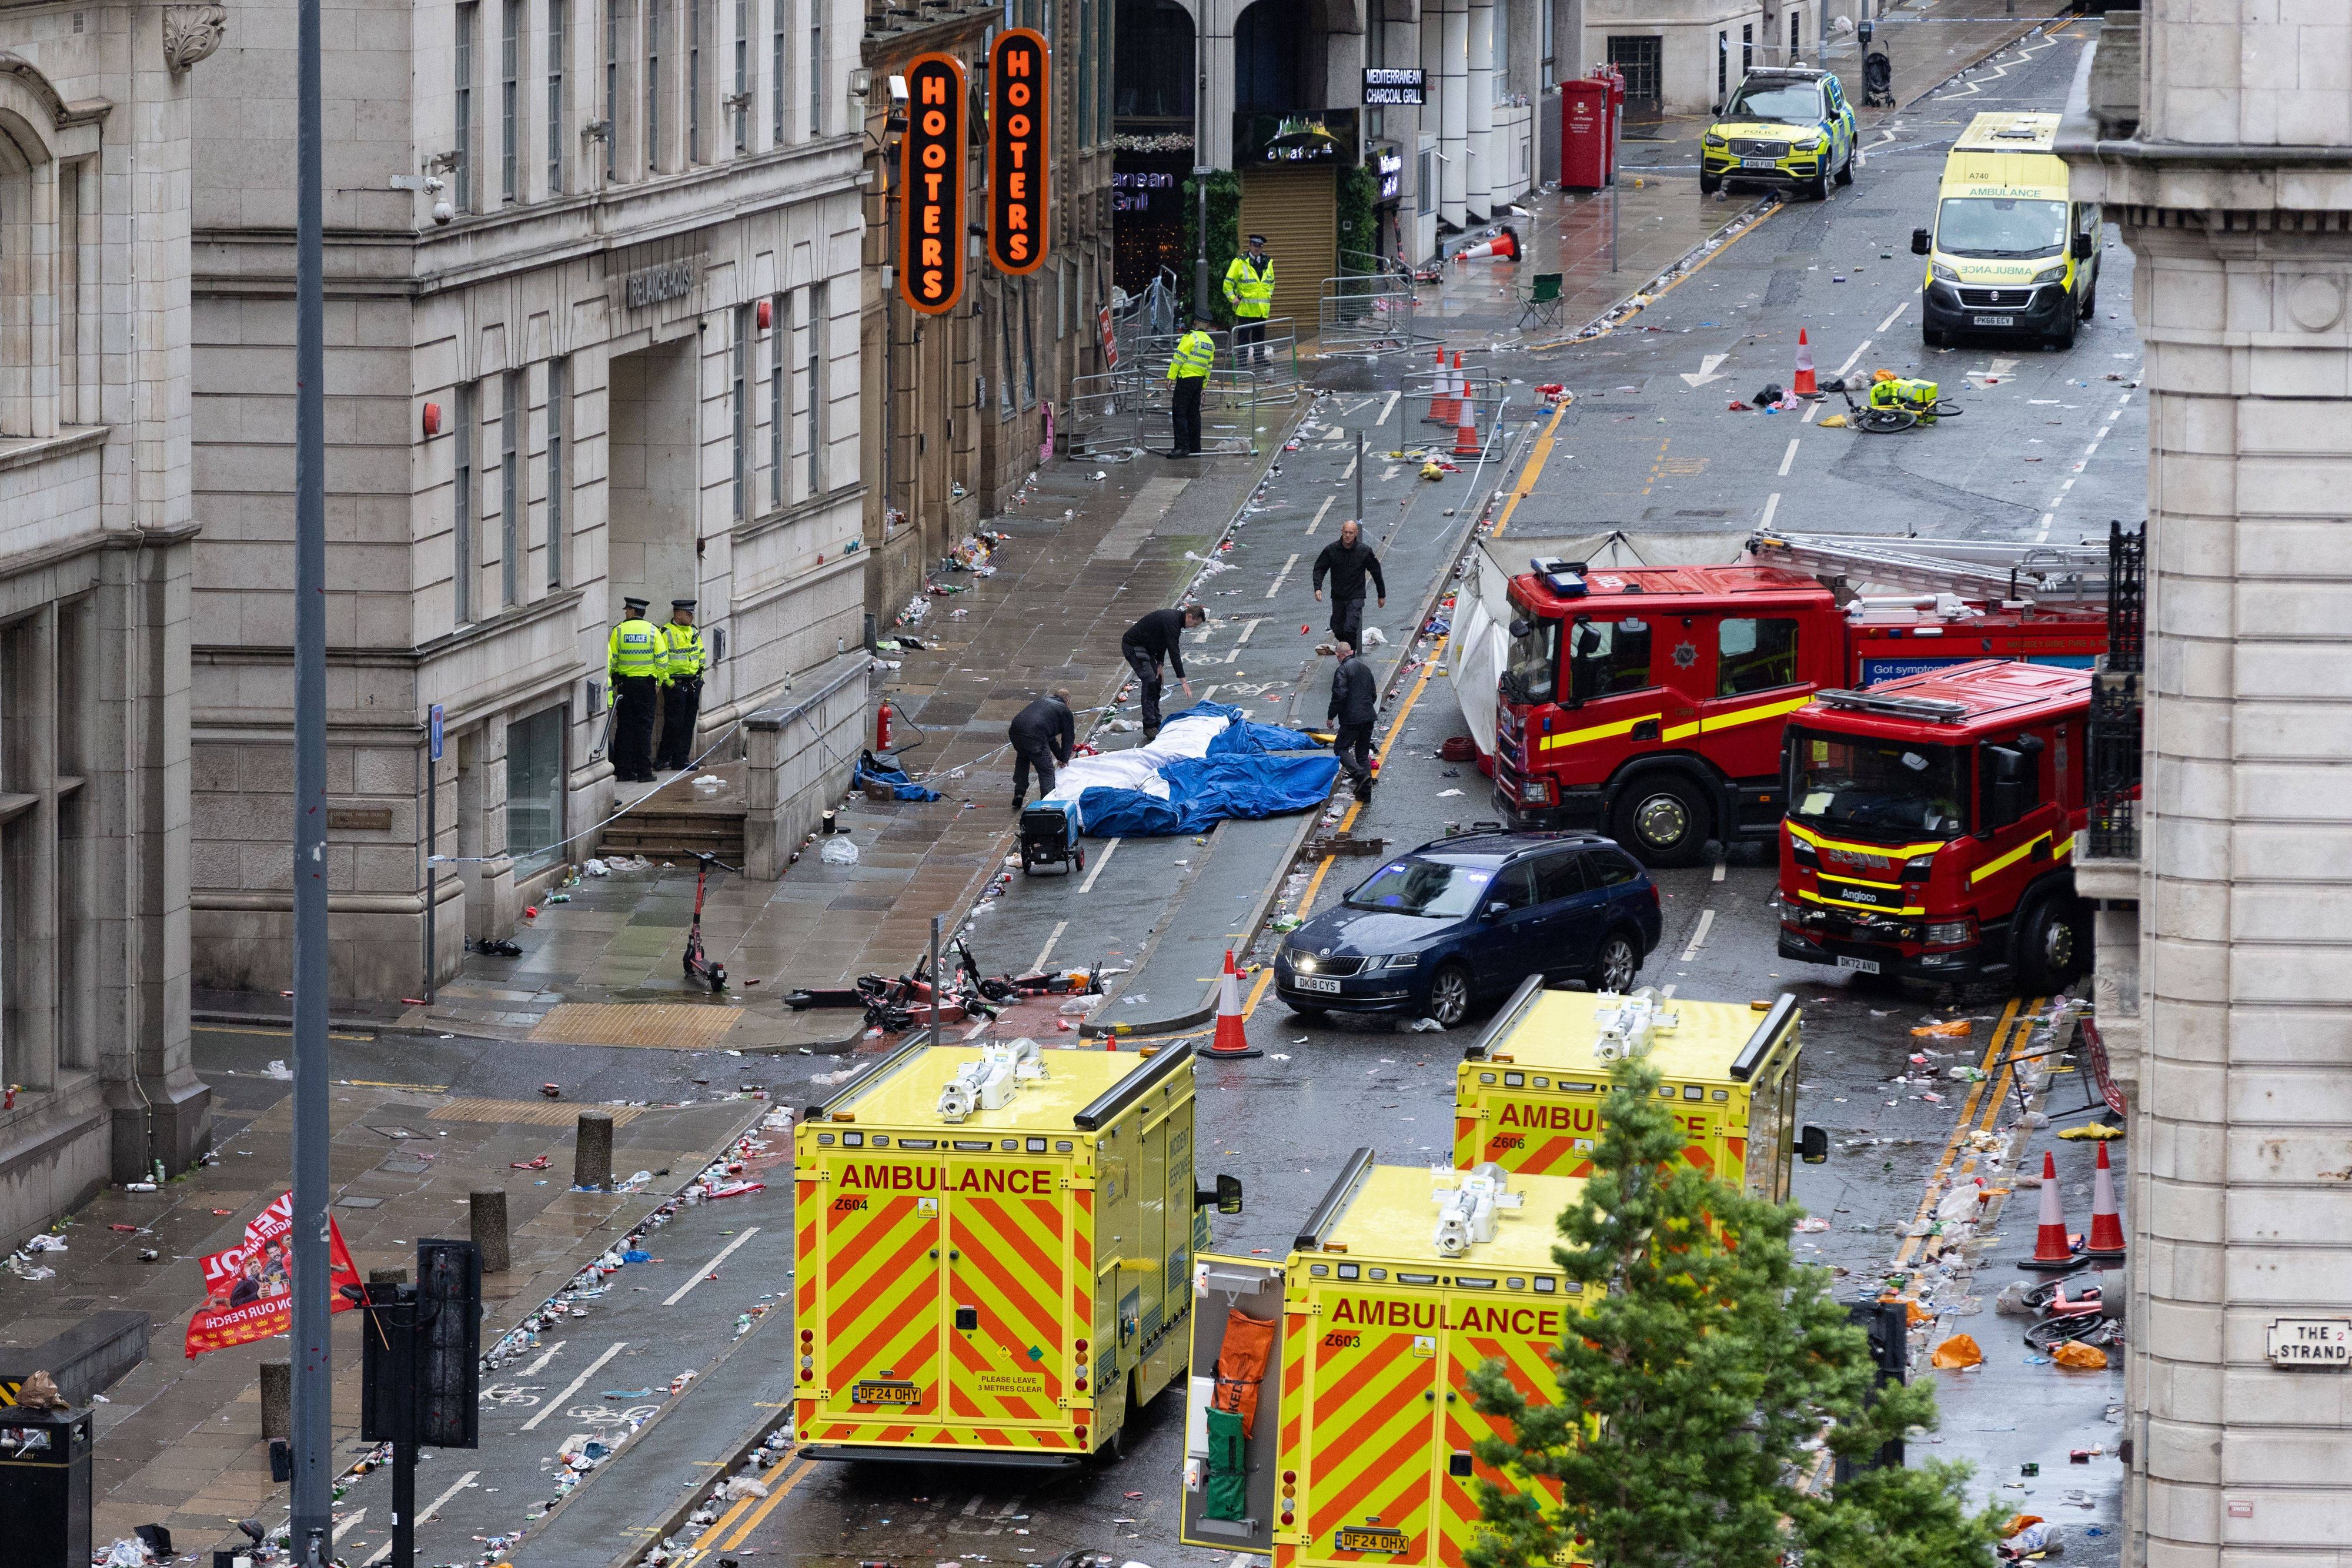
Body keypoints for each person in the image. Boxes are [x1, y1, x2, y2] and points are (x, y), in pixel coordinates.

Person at [1121, 603, 1205, 742]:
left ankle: (1157, 721)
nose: (1194, 627)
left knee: (1157, 681)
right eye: (1195, 624)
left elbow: (1163, 642)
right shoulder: (1172, 621)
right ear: (1190, 617)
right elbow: (1174, 651)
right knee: (1150, 682)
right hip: (1134, 647)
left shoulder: (1174, 621)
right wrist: (1183, 680)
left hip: (1148, 649)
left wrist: (1160, 664)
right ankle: (1149, 726)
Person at [607, 595, 666, 783]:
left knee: (624, 729)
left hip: (625, 686)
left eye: (627, 610)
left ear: (632, 611)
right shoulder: (652, 631)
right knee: (644, 729)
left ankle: (623, 771)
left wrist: (616, 679)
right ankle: (644, 772)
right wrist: (659, 682)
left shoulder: (619, 631)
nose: (626, 613)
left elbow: (612, 661)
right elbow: (663, 660)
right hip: (646, 687)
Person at [1312, 518, 1388, 651]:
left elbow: (1376, 571)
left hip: (1356, 596)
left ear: (1356, 534)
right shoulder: (1332, 550)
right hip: (1338, 597)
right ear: (1342, 532)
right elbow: (1320, 568)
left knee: (1350, 628)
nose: (1348, 536)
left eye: (1351, 533)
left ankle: (1350, 655)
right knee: (1337, 628)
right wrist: (1318, 587)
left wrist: (1381, 594)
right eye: (1346, 532)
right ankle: (1347, 650)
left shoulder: (1364, 551)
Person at [655, 599, 706, 771]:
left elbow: (701, 655)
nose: (692, 617)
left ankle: (681, 760)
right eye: (688, 614)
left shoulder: (693, 631)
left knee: (688, 724)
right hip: (675, 685)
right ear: (678, 614)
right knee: (673, 724)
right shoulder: (666, 633)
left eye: (692, 614)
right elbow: (660, 661)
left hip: (692, 684)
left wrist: (700, 679)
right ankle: (662, 758)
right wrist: (669, 684)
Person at [1008, 688, 1077, 810]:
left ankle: (1019, 792)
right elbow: (1068, 738)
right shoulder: (1064, 711)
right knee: (1046, 770)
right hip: (1035, 736)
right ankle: (1047, 802)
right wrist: (1065, 760)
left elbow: (1050, 739)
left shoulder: (1043, 701)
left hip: (1015, 731)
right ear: (1068, 702)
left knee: (1023, 756)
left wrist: (1061, 757)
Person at [1328, 641, 1378, 802]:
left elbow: (1339, 695)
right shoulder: (1365, 668)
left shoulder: (1342, 670)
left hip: (1352, 719)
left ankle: (1360, 775)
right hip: (1368, 716)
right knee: (1362, 755)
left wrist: (1331, 716)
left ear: (1339, 655)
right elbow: (1373, 693)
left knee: (1340, 748)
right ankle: (1366, 793)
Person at [1166, 315, 1217, 458]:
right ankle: (1195, 448)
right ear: (1207, 325)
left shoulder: (1190, 337)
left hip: (1186, 380)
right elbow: (1208, 368)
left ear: (1195, 323)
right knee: (1194, 415)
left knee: (1179, 413)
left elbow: (1179, 358)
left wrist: (1170, 377)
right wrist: (1203, 388)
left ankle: (1182, 447)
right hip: (1198, 382)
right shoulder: (1210, 343)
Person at [1223, 235, 1275, 365]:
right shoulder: (1240, 262)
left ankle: (1259, 359)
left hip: (1260, 309)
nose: (1257, 249)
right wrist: (1232, 298)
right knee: (1244, 338)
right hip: (1245, 309)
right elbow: (1228, 283)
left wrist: (1268, 295)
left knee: (1259, 337)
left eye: (1260, 246)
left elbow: (1271, 282)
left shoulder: (1267, 262)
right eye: (1255, 245)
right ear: (1250, 245)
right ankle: (1242, 361)